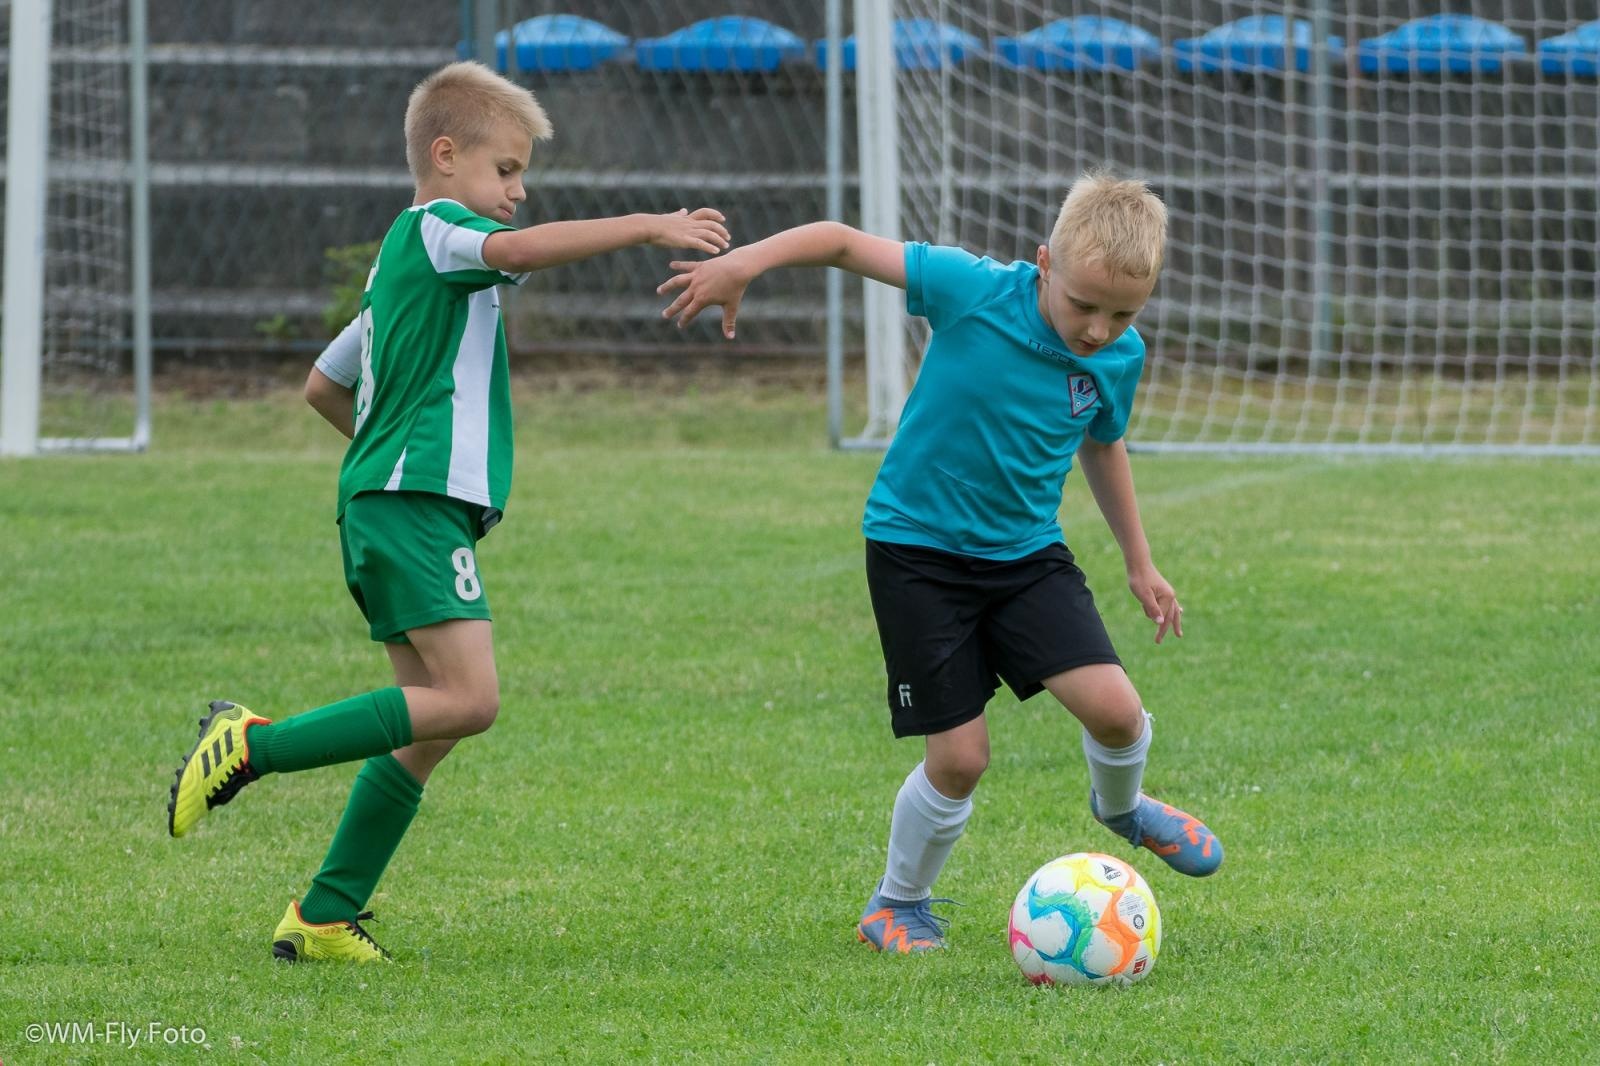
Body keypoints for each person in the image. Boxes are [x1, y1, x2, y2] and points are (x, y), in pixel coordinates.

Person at [166, 60, 730, 963]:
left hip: (398, 502)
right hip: (411, 506)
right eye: (505, 169)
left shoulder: (404, 270)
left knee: (431, 725)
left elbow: (324, 384)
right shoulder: (436, 232)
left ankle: (323, 916)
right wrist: (650, 226)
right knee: (470, 700)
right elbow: (520, 251)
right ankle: (250, 745)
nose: (518, 190)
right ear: (444, 156)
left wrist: (386, 457)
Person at [657, 172, 1222, 954]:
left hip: (1026, 555)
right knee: (960, 758)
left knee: (1119, 713)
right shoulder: (974, 289)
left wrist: (1140, 561)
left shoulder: (1120, 355)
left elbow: (1102, 441)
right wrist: (743, 262)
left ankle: (1122, 808)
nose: (1098, 330)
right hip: (917, 553)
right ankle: (897, 904)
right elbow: (840, 243)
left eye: (1123, 313)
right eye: (1083, 305)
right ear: (1044, 264)